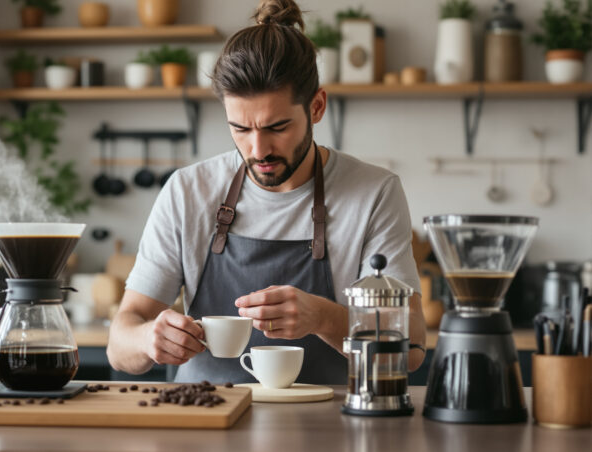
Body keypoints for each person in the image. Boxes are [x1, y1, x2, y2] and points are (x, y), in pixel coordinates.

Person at [107, 0, 426, 384]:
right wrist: (147, 339)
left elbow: (410, 348)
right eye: (240, 129)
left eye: (276, 127)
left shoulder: (374, 193)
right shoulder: (187, 191)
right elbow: (119, 343)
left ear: (317, 107)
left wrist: (324, 317)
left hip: (329, 429)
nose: (258, 151)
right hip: (204, 423)